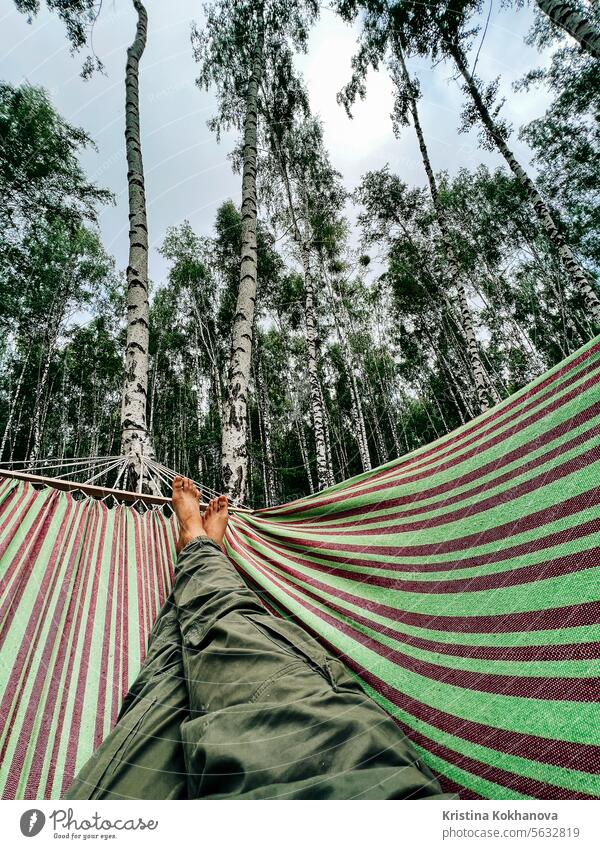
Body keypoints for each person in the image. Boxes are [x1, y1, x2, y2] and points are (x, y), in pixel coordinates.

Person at [65, 477, 453, 800]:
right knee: (218, 631)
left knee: (180, 660)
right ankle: (200, 551)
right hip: (348, 777)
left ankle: (197, 549)